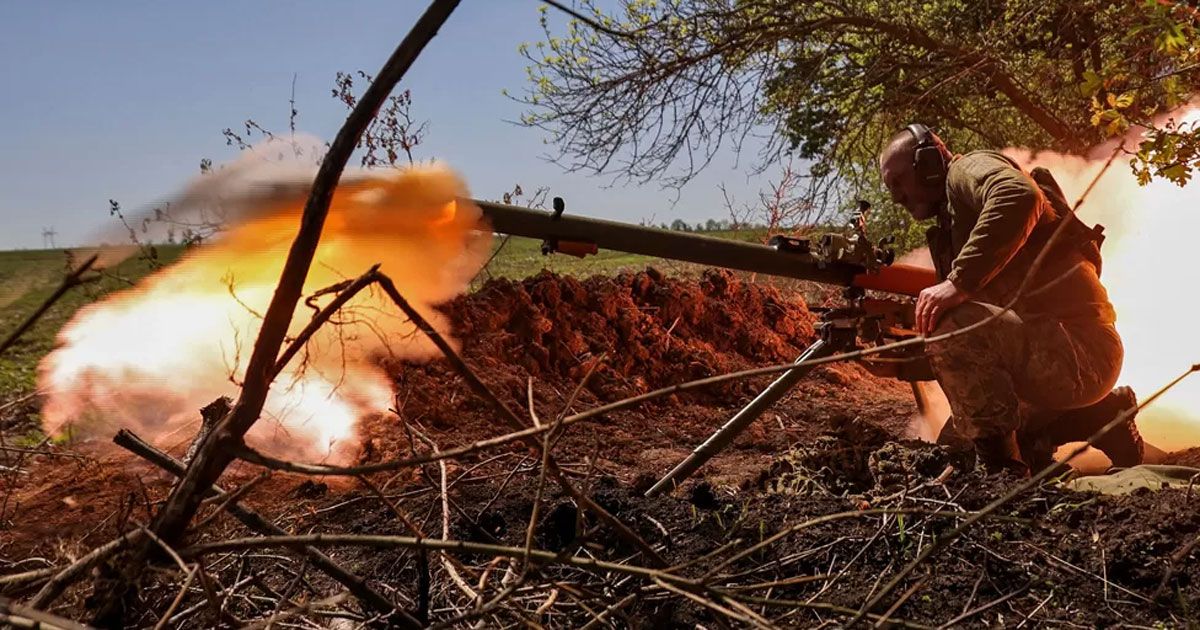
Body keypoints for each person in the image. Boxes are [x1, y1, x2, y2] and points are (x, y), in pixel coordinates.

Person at [878, 124, 1143, 475]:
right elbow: (975, 357)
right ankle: (1103, 415)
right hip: (1059, 355)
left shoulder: (965, 170)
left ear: (929, 163)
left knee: (953, 327)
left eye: (899, 181)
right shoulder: (957, 222)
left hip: (1079, 352)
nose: (897, 196)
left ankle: (1002, 477)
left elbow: (1019, 195)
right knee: (955, 452)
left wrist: (958, 283)